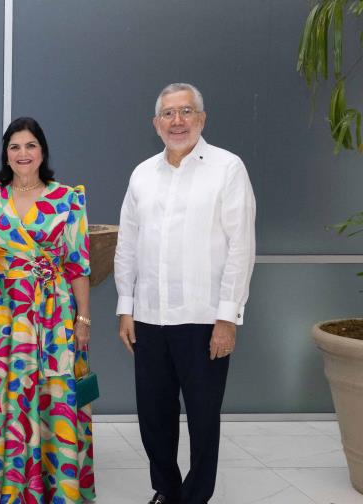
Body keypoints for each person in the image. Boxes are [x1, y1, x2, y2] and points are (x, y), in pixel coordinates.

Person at [114, 83, 256, 504]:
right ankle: (167, 490)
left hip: (204, 318)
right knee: (153, 416)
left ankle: (196, 496)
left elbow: (241, 247)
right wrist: (126, 308)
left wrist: (227, 317)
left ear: (202, 118)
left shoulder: (227, 169)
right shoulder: (142, 173)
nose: (178, 121)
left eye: (186, 112)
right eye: (169, 114)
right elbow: (128, 245)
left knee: (202, 417)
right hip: (150, 319)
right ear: (156, 124)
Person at [0, 117, 96, 504]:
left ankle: (57, 484)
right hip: (1, 313)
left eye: (30, 145)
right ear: (5, 153)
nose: (22, 154)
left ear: (42, 151)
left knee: (55, 391)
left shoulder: (69, 198)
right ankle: (1, 484)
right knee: (3, 394)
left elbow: (78, 264)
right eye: (14, 146)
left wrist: (82, 319)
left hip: (53, 313)